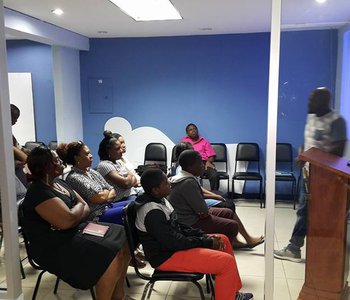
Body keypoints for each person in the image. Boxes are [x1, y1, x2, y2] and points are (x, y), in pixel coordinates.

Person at [21, 147, 132, 300]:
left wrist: (75, 212)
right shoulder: (38, 193)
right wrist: (76, 211)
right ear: (47, 167)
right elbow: (67, 221)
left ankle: (118, 296)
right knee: (109, 253)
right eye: (57, 161)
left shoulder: (59, 182)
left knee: (123, 235)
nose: (61, 162)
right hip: (53, 245)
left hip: (74, 230)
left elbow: (84, 207)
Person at [135, 168, 253, 300]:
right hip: (165, 257)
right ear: (155, 190)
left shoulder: (161, 200)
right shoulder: (152, 212)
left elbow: (178, 227)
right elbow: (174, 242)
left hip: (172, 248)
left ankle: (232, 294)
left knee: (223, 239)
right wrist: (206, 241)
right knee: (226, 262)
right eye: (166, 183)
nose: (170, 183)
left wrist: (202, 235)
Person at [274, 87, 347, 262]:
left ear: (324, 101)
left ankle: (301, 248)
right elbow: (309, 142)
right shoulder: (311, 116)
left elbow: (337, 152)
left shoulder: (336, 121)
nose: (308, 103)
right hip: (308, 173)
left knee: (318, 214)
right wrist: (302, 153)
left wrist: (311, 158)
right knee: (303, 211)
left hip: (326, 178)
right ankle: (297, 247)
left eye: (312, 100)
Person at [173, 142, 264, 248]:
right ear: (190, 166)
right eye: (200, 163)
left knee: (229, 212)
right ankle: (229, 243)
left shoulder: (187, 176)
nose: (204, 166)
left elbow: (200, 203)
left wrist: (207, 207)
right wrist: (208, 207)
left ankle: (247, 239)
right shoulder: (187, 182)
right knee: (232, 225)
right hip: (191, 221)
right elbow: (203, 211)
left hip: (195, 213)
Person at [56, 141, 132, 225]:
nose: (91, 156)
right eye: (87, 154)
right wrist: (106, 193)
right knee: (130, 210)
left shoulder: (92, 171)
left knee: (134, 204)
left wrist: (104, 194)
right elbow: (98, 198)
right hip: (96, 214)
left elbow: (112, 190)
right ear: (77, 158)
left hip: (108, 206)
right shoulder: (74, 178)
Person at [97, 131, 140, 200]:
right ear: (108, 152)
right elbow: (125, 183)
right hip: (121, 200)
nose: (121, 150)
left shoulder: (118, 162)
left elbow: (133, 178)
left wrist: (129, 179)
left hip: (132, 194)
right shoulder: (104, 165)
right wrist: (129, 179)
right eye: (117, 149)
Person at [181, 123, 220, 191]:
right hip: (189, 163)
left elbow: (211, 156)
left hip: (202, 163)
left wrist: (208, 161)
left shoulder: (204, 141)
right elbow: (181, 154)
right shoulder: (184, 141)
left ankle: (215, 196)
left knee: (214, 175)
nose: (193, 131)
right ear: (187, 133)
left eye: (195, 129)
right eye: (191, 130)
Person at [11, 104, 29, 187]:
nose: (16, 121)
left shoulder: (10, 135)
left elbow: (20, 149)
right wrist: (21, 162)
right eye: (15, 118)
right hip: (12, 171)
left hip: (18, 169)